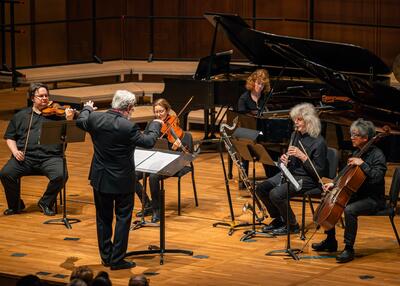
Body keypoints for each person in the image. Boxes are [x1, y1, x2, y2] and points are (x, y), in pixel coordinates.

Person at [76, 90, 162, 270]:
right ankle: (117, 259)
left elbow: (80, 120)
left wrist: (87, 109)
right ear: (129, 108)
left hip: (100, 179)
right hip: (122, 181)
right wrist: (155, 124)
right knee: (123, 218)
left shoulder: (95, 119)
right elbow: (148, 141)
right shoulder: (127, 127)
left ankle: (106, 257)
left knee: (103, 219)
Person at [312, 118, 387, 263]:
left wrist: (363, 164)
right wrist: (334, 184)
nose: (351, 138)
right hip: (357, 194)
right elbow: (345, 175)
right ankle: (330, 240)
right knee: (330, 199)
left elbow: (377, 178)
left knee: (350, 210)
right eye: (351, 134)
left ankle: (348, 248)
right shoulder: (358, 152)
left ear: (365, 138)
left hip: (373, 199)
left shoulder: (377, 155)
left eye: (355, 135)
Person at [0, 83, 74, 216]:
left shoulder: (58, 115)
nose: (45, 98)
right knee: (6, 173)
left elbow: (69, 135)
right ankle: (15, 205)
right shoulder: (21, 116)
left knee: (61, 175)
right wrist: (15, 151)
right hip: (25, 158)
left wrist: (69, 120)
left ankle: (45, 202)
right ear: (32, 98)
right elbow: (10, 137)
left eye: (46, 95)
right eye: (41, 96)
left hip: (51, 158)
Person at [255, 102, 328, 235]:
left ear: (309, 120)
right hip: (291, 173)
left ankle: (292, 225)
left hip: (307, 179)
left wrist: (303, 157)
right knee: (261, 188)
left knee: (276, 194)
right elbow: (291, 159)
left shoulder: (319, 142)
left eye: (299, 119)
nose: (296, 122)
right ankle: (279, 219)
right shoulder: (296, 135)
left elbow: (319, 172)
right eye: (295, 119)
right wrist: (286, 159)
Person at [135, 98, 187, 223]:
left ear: (167, 110)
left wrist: (175, 147)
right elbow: (145, 143)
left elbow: (181, 150)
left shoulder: (174, 123)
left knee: (153, 176)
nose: (158, 115)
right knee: (131, 175)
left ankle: (157, 210)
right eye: (156, 112)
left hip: (171, 160)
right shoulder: (151, 125)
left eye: (161, 111)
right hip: (154, 159)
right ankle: (147, 204)